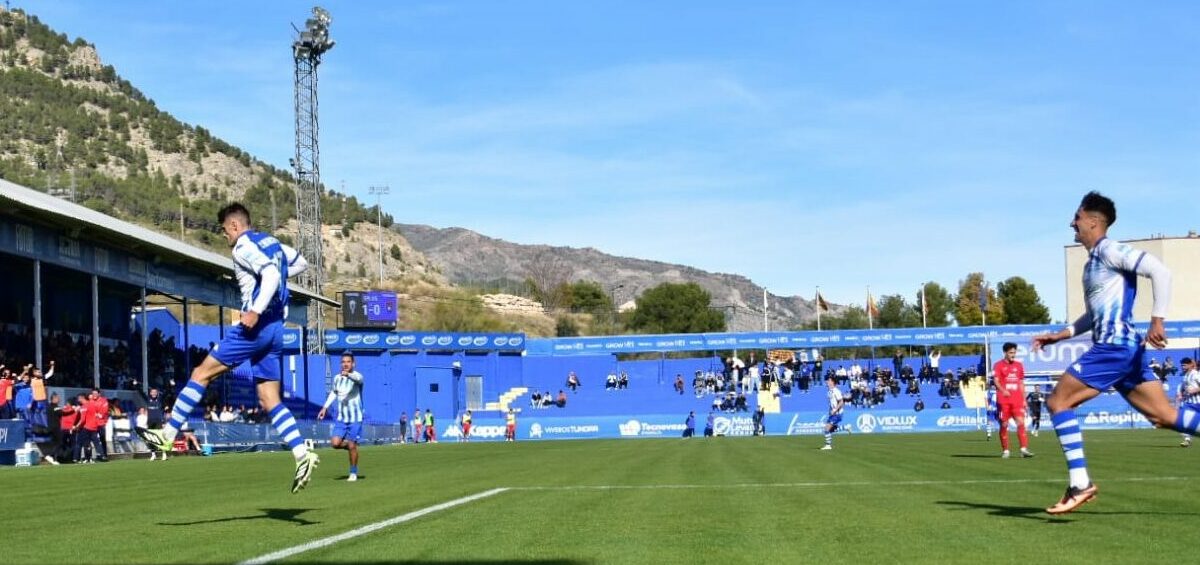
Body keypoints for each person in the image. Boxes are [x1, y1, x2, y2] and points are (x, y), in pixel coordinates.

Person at [136, 203, 319, 493]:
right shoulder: (270, 242)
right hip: (276, 330)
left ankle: (167, 435)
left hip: (254, 328)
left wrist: (256, 309)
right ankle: (302, 453)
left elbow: (271, 275)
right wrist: (274, 292)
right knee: (269, 399)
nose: (225, 237)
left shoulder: (243, 246)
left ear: (234, 226)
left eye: (224, 231)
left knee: (200, 373)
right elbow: (300, 264)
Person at [1030, 191, 1192, 515]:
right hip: (1124, 350)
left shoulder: (1109, 250)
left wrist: (1158, 320)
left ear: (1093, 221)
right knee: (1164, 416)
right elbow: (1093, 316)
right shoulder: (1092, 264)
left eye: (1076, 217)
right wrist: (1061, 336)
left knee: (1058, 401)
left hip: (1115, 348)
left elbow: (1161, 272)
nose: (1071, 223)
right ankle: (1079, 483)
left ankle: (1080, 483)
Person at [317, 352, 364, 482]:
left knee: (353, 445)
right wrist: (325, 407)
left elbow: (358, 379)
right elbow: (334, 392)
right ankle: (350, 446)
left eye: (348, 362)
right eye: (343, 362)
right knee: (335, 443)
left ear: (353, 363)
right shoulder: (337, 378)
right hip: (342, 418)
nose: (345, 364)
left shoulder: (357, 376)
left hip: (355, 418)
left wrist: (348, 375)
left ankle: (353, 472)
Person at [994, 342, 1033, 458]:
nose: (1013, 355)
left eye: (1014, 353)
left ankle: (1023, 449)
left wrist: (1024, 399)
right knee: (1004, 425)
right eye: (1011, 353)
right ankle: (1006, 450)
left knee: (1021, 423)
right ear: (1005, 353)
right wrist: (1003, 390)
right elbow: (996, 381)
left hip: (1017, 400)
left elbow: (1021, 383)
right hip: (1003, 401)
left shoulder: (1019, 365)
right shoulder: (998, 365)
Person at [1176, 358, 1200, 447]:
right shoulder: (1186, 375)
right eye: (1182, 365)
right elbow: (1183, 387)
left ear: (1190, 365)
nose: (1182, 367)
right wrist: (1180, 394)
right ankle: (1187, 440)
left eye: (1184, 365)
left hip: (1198, 402)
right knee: (1181, 420)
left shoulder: (1196, 374)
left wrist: (1195, 390)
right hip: (1189, 403)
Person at [822, 376, 845, 450]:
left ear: (832, 382)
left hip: (837, 413)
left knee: (826, 429)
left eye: (828, 380)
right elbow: (831, 403)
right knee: (830, 430)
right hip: (833, 413)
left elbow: (841, 402)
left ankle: (828, 445)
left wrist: (835, 410)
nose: (827, 382)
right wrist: (830, 411)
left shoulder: (836, 391)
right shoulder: (829, 392)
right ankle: (845, 427)